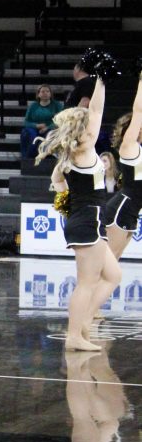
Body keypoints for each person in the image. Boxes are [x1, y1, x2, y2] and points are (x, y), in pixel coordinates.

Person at [35, 77, 120, 352]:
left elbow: (56, 180)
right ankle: (75, 334)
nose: (93, 126)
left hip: (85, 218)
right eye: (88, 124)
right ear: (81, 128)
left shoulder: (72, 154)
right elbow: (96, 111)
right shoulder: (83, 150)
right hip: (87, 220)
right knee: (86, 282)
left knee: (113, 275)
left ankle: (82, 324)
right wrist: (102, 81)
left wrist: (67, 202)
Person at [104, 71, 142, 260]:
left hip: (132, 211)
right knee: (109, 262)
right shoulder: (129, 147)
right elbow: (139, 111)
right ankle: (88, 289)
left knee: (114, 262)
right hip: (122, 207)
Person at [21, 85, 63, 158]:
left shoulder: (57, 105)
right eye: (43, 91)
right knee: (29, 134)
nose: (45, 93)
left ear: (50, 94)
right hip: (35, 128)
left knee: (50, 135)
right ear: (38, 94)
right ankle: (28, 159)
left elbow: (61, 120)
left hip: (51, 128)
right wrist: (36, 126)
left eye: (47, 91)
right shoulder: (33, 106)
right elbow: (26, 122)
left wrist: (47, 127)